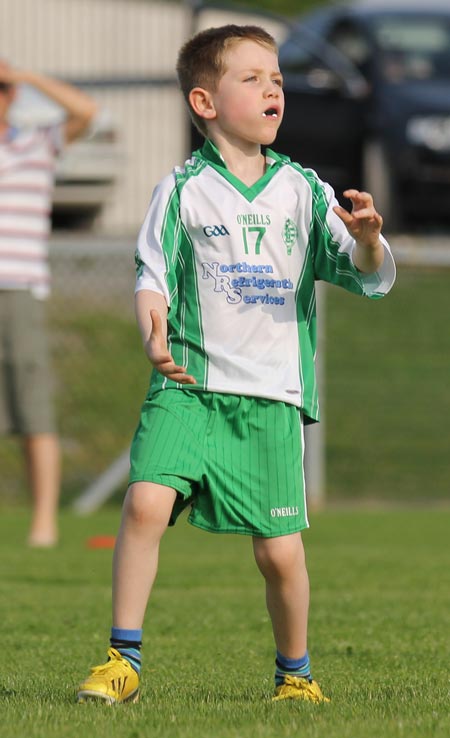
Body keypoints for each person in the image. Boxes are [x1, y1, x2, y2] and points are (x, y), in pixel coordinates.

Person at [77, 25, 396, 705]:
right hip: (188, 386)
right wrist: (151, 335)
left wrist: (368, 239)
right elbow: (151, 274)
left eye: (275, 77)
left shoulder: (304, 191)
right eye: (251, 78)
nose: (272, 88)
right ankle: (121, 661)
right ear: (206, 102)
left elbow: (365, 275)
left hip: (270, 396)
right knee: (142, 504)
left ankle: (295, 676)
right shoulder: (183, 189)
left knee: (278, 554)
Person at [0, 60, 97, 546]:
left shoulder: (36, 144)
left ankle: (43, 524)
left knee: (33, 409)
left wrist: (26, 77)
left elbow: (86, 110)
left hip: (19, 288)